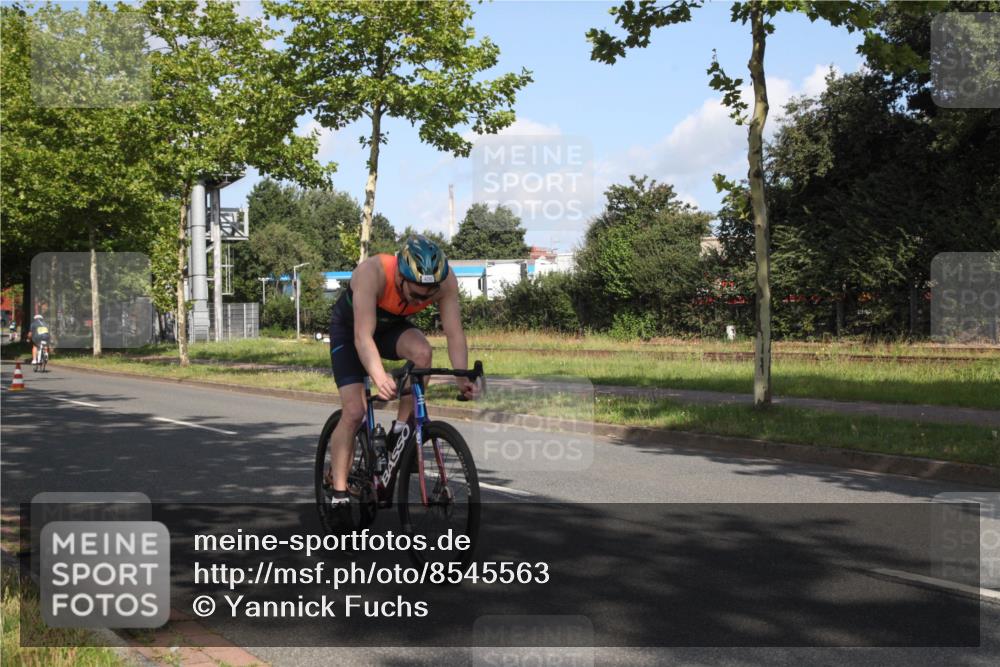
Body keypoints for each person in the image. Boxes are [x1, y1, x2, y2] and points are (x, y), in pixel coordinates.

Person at [326, 235, 477, 509]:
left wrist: (461, 376)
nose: (423, 299)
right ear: (401, 277)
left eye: (428, 295)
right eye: (416, 294)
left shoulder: (445, 281)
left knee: (423, 353)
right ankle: (338, 494)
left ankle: (400, 431)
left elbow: (454, 334)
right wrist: (379, 375)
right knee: (355, 411)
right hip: (351, 332)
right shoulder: (372, 273)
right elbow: (362, 337)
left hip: (390, 328)